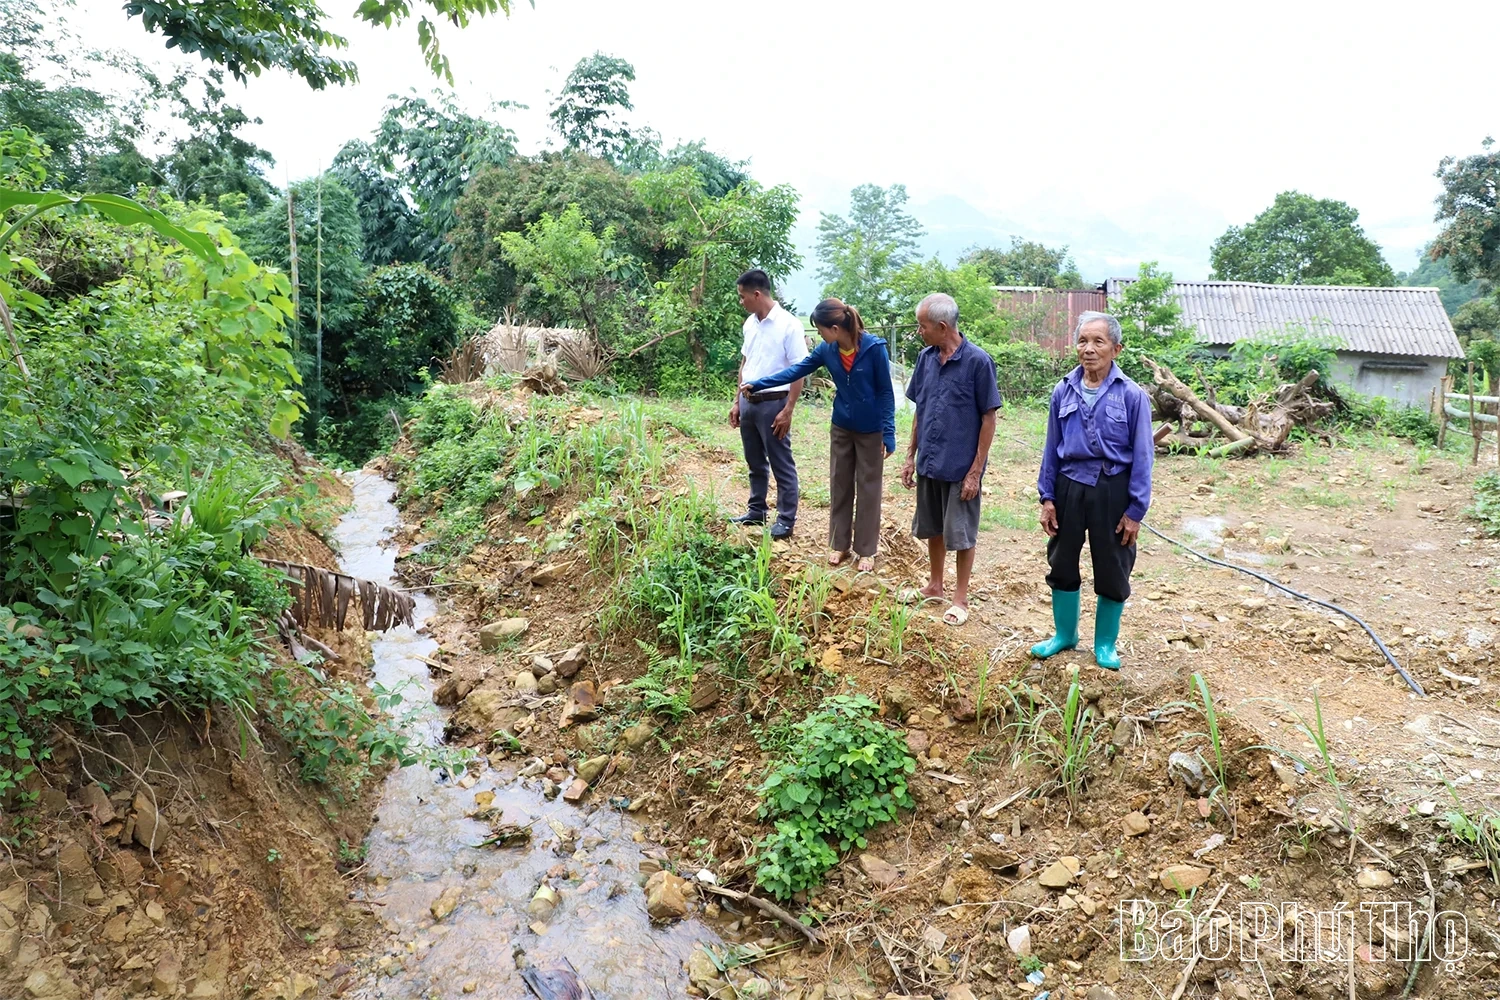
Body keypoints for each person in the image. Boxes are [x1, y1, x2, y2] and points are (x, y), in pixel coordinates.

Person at [1031, 310, 1154, 670]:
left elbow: (1144, 458)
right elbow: (1051, 446)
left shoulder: (1132, 395)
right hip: (1069, 486)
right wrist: (1047, 497)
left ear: (1116, 348)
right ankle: (1064, 635)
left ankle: (1104, 644)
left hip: (1111, 489)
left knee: (1113, 564)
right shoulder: (1062, 389)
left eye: (1098, 341)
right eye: (1083, 341)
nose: (1089, 349)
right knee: (1062, 560)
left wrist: (1135, 511)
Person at [741, 298, 897, 571]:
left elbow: (885, 391)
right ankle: (839, 544)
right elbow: (795, 371)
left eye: (821, 330)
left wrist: (889, 431)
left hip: (871, 429)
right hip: (841, 426)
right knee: (840, 484)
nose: (819, 336)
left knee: (869, 488)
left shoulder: (874, 349)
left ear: (835, 328)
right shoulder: (827, 350)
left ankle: (866, 550)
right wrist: (760, 383)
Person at [899, 292, 1001, 626]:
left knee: (961, 532)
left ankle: (960, 598)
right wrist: (909, 455)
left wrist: (976, 471)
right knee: (933, 527)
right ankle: (934, 585)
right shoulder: (926, 359)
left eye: (922, 326)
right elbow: (920, 408)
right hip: (930, 458)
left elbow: (988, 418)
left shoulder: (977, 362)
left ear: (942, 327)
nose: (919, 332)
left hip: (960, 465)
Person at [728, 269, 809, 540]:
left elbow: (800, 370)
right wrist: (736, 401)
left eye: (743, 297)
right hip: (748, 401)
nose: (741, 302)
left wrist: (788, 409)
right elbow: (745, 363)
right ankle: (756, 509)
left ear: (757, 294)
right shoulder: (750, 324)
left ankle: (786, 519)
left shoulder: (789, 325)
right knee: (754, 461)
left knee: (780, 462)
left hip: (774, 403)